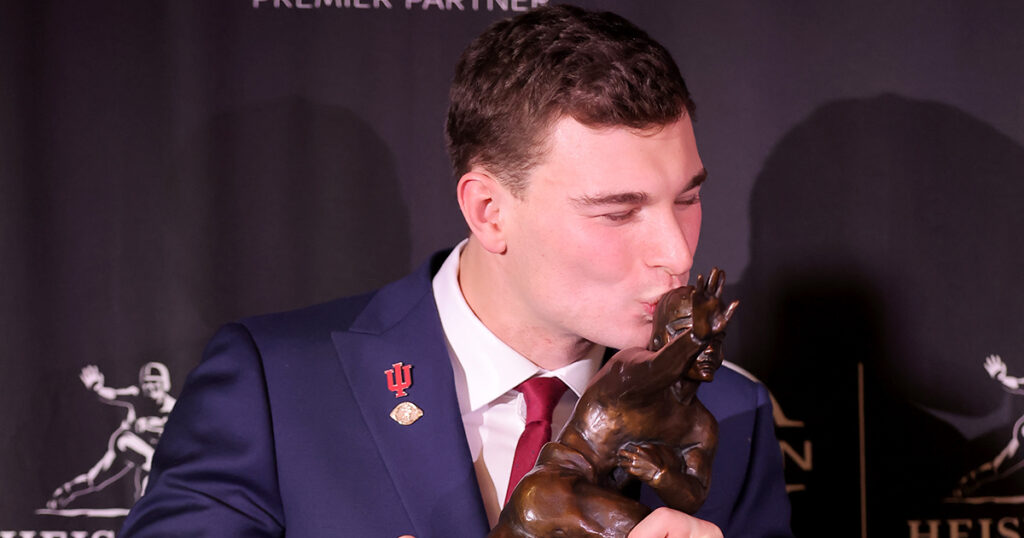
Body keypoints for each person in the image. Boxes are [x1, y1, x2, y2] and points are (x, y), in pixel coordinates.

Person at [119, 5, 791, 537]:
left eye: (689, 198)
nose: (675, 252)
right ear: (489, 211)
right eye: (618, 212)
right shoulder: (275, 388)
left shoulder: (731, 413)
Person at [48, 363, 176, 509]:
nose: (150, 386)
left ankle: (66, 491)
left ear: (165, 384)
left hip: (150, 454)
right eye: (146, 382)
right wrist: (96, 388)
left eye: (155, 382)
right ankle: (65, 492)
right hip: (126, 443)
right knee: (97, 479)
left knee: (101, 481)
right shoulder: (136, 396)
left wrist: (151, 425)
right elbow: (113, 394)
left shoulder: (175, 408)